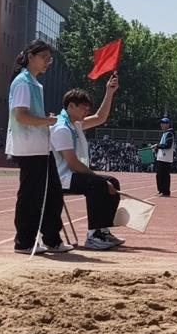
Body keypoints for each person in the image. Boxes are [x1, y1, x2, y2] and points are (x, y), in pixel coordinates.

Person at [7, 39, 70, 255]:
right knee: (31, 195)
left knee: (53, 193)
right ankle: (24, 241)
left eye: (49, 59)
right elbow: (21, 116)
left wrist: (45, 121)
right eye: (43, 57)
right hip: (28, 147)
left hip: (41, 147)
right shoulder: (23, 83)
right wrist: (46, 121)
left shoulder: (34, 83)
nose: (47, 62)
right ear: (30, 57)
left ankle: (52, 239)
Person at [51, 79, 124, 251]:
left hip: (72, 175)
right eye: (84, 108)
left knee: (112, 182)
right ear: (71, 106)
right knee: (97, 184)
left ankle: (102, 230)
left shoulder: (74, 124)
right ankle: (93, 236)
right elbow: (73, 164)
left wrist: (109, 92)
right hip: (61, 178)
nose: (87, 111)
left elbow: (100, 118)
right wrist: (99, 179)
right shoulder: (61, 128)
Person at [154, 117, 175, 196]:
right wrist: (157, 147)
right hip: (161, 158)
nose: (161, 125)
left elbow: (168, 145)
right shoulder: (165, 133)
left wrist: (158, 146)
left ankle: (165, 191)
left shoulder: (169, 134)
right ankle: (161, 190)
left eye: (163, 123)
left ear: (168, 124)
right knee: (159, 175)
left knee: (164, 176)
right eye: (161, 123)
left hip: (166, 159)